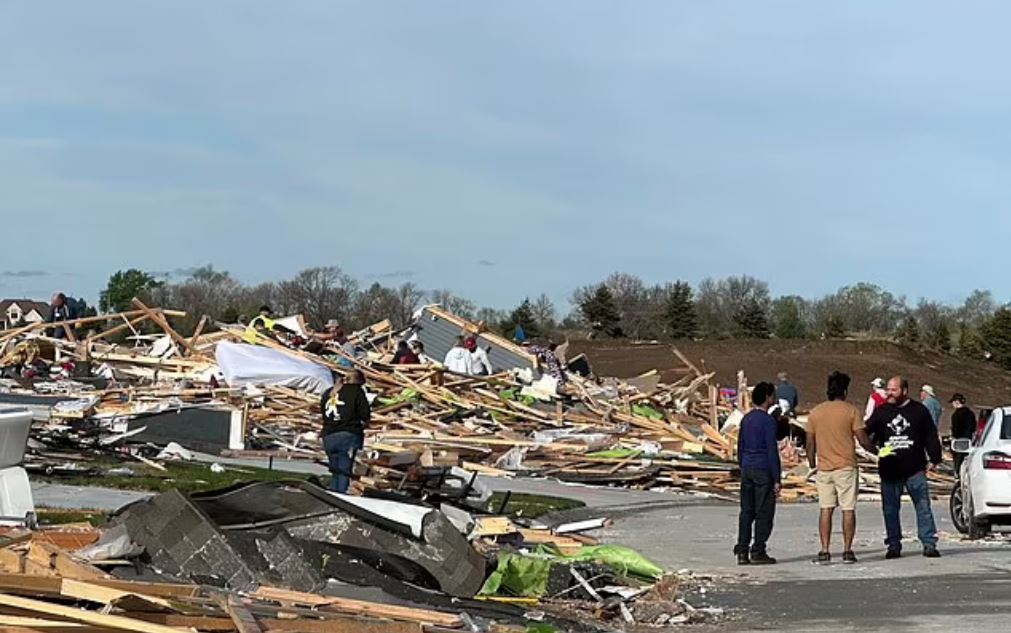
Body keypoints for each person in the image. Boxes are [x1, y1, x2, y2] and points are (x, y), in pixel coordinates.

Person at [865, 376, 943, 559]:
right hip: (890, 470)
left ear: (904, 391)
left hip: (914, 468)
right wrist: (874, 449)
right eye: (888, 390)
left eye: (894, 390)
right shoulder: (882, 412)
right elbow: (865, 432)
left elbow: (930, 435)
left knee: (923, 507)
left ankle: (929, 543)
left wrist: (935, 458)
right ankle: (893, 544)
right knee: (890, 509)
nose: (889, 393)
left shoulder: (919, 411)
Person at [807, 371, 871, 564]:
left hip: (824, 467)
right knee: (848, 509)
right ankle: (847, 550)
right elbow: (863, 439)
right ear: (844, 391)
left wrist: (812, 463)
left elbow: (809, 443)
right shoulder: (851, 411)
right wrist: (878, 451)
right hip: (846, 466)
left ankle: (824, 550)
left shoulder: (816, 412)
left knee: (825, 509)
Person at [735, 381, 781, 566]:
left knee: (746, 511)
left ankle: (742, 549)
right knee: (764, 511)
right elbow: (772, 450)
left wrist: (742, 465)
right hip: (763, 468)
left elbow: (740, 445)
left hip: (747, 467)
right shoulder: (768, 421)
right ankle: (758, 549)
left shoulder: (746, 419)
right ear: (768, 397)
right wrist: (777, 478)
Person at [319, 370, 371, 493]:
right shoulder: (357, 391)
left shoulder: (328, 392)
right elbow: (365, 414)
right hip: (348, 434)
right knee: (344, 470)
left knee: (335, 469)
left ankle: (332, 493)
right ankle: (341, 496)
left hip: (329, 435)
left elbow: (322, 412)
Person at [949, 393, 976, 476]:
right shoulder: (971, 413)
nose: (952, 404)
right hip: (968, 440)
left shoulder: (956, 415)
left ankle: (957, 473)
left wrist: (953, 436)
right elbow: (974, 427)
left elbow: (955, 429)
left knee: (958, 459)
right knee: (966, 459)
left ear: (957, 402)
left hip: (958, 440)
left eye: (953, 402)